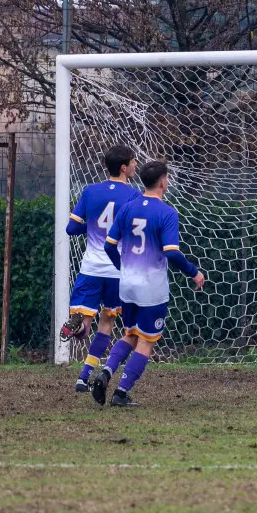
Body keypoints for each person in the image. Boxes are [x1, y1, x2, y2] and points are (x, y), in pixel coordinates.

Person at [90, 160, 205, 407]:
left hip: (127, 285)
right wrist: (194, 272)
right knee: (146, 341)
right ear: (163, 181)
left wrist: (124, 267)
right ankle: (121, 392)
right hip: (151, 288)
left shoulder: (128, 208)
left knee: (130, 334)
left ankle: (105, 373)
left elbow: (109, 245)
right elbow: (172, 252)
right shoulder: (167, 212)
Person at [62, 145, 141, 392]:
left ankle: (78, 329)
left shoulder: (90, 191)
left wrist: (94, 228)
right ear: (123, 167)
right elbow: (132, 233)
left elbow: (71, 229)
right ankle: (83, 376)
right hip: (117, 271)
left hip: (91, 268)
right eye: (133, 162)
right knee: (107, 322)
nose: (136, 165)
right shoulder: (134, 196)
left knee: (86, 324)